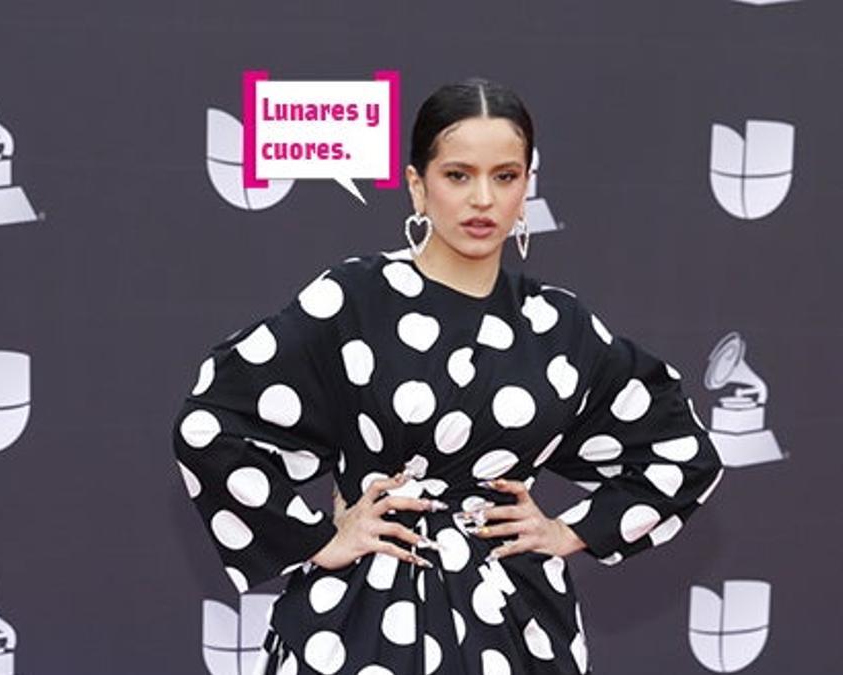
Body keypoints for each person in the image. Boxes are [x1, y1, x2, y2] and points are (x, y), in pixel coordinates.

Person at [171, 77, 724, 675]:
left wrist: (569, 531)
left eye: (505, 176)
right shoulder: (356, 300)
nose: (483, 199)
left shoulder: (559, 326)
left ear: (526, 188)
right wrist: (318, 538)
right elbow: (212, 423)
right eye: (458, 175)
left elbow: (682, 452)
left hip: (516, 626)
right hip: (361, 621)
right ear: (418, 186)